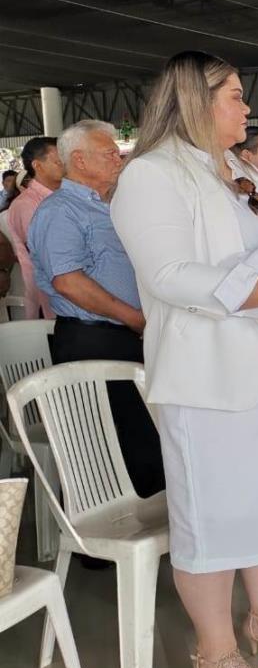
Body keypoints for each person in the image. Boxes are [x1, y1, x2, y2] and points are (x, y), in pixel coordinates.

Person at [111, 51, 258, 668]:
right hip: (211, 373)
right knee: (213, 512)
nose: (246, 106)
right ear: (196, 100)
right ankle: (215, 648)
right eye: (234, 95)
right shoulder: (151, 174)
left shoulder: (241, 170)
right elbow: (169, 275)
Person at [26, 120, 164, 498]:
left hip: (125, 333)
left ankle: (154, 527)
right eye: (110, 154)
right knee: (112, 440)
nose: (119, 160)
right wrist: (133, 316)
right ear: (80, 160)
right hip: (95, 339)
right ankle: (109, 545)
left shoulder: (111, 206)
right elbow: (67, 280)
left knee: (142, 436)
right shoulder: (60, 211)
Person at [9, 136, 64, 318]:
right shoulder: (26, 205)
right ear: (37, 166)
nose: (65, 164)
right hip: (48, 299)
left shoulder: (65, 196)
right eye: (58, 161)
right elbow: (46, 255)